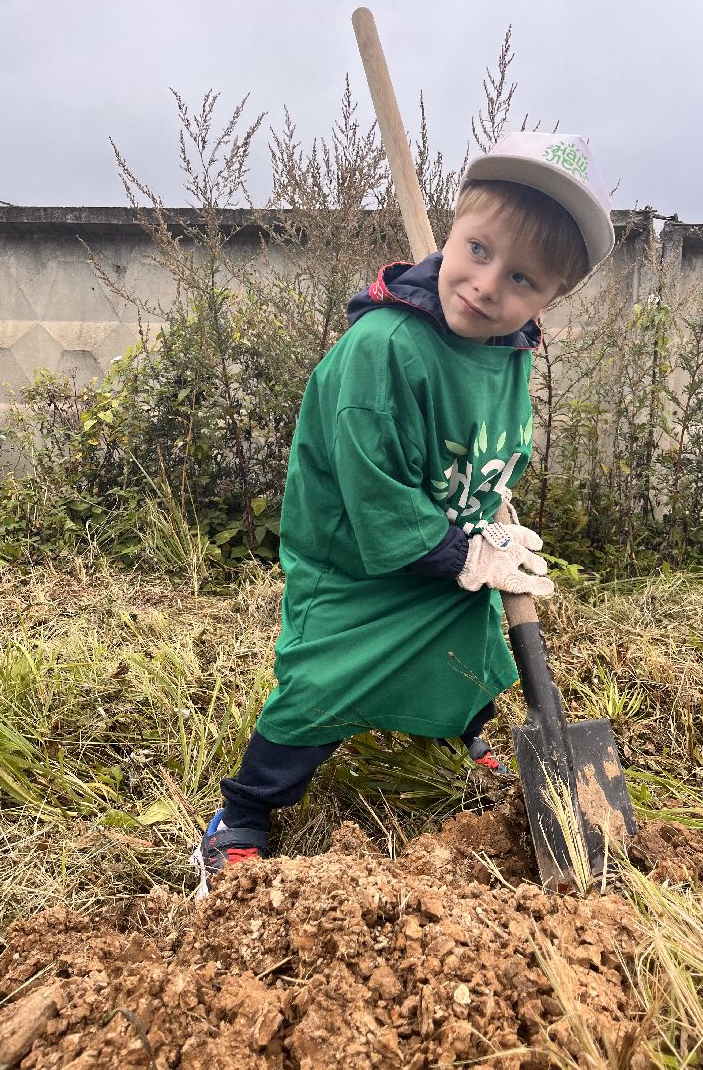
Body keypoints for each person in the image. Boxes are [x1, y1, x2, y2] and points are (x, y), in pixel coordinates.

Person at [193, 131, 615, 896]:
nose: (486, 285)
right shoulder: (384, 350)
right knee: (321, 686)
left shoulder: (509, 349)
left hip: (441, 543)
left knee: (467, 642)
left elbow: (494, 446)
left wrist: (490, 526)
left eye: (521, 277)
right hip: (357, 562)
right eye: (478, 250)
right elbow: (377, 494)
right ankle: (242, 816)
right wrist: (466, 554)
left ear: (550, 300)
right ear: (454, 227)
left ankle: (463, 734)